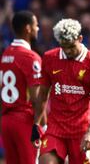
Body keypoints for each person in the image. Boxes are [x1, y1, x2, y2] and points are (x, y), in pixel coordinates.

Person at [33, 19, 90, 164]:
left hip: (81, 131)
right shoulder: (49, 57)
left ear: (80, 38)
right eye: (63, 46)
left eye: (71, 46)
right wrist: (37, 123)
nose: (67, 51)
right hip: (55, 128)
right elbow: (42, 94)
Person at [0, 11, 42, 164]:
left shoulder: (5, 54)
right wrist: (40, 124)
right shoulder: (31, 58)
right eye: (36, 25)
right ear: (28, 28)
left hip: (6, 121)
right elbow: (37, 98)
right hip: (24, 121)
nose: (38, 28)